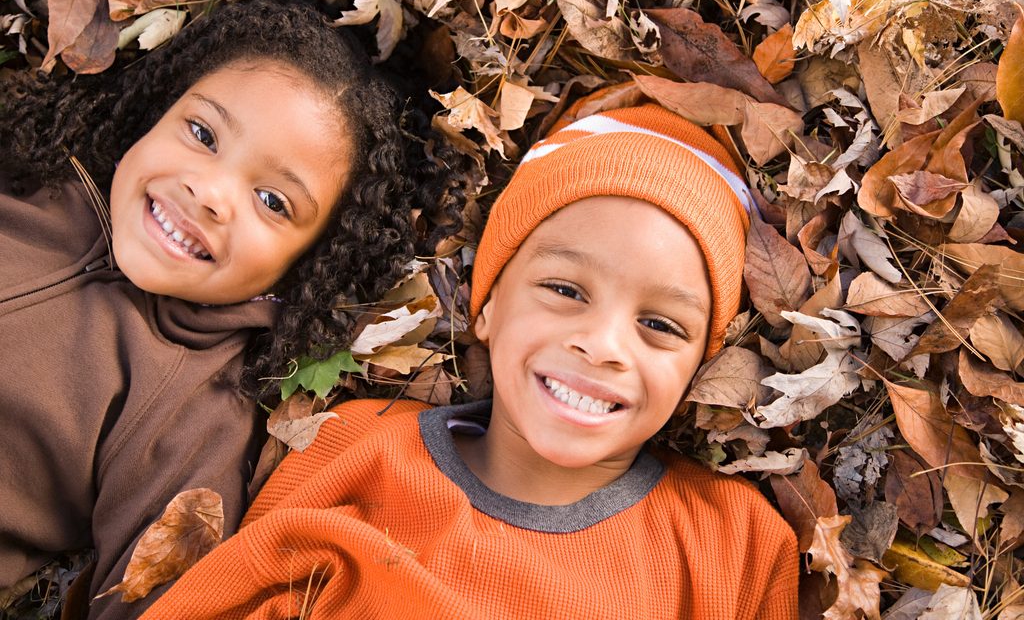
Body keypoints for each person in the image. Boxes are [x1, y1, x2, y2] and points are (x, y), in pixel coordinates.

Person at [138, 104, 799, 620]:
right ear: (486, 307)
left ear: (699, 369)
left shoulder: (733, 544)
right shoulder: (354, 450)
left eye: (660, 325)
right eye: (566, 291)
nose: (602, 345)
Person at [0, 0, 461, 619]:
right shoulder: (33, 165)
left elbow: (156, 600)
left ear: (308, 265)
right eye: (202, 133)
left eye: (273, 202)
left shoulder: (194, 408)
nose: (210, 192)